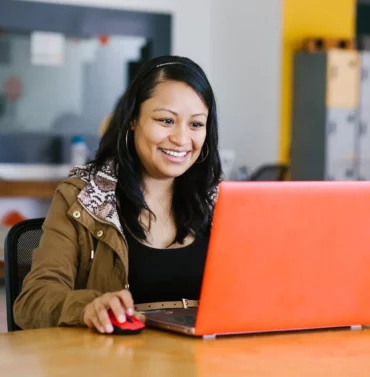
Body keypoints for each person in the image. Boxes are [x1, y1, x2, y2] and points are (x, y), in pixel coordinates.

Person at [13, 55, 222, 333]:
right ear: (133, 119)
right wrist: (89, 307)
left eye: (196, 124)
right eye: (166, 120)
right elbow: (32, 301)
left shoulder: (218, 201)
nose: (182, 139)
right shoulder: (84, 195)